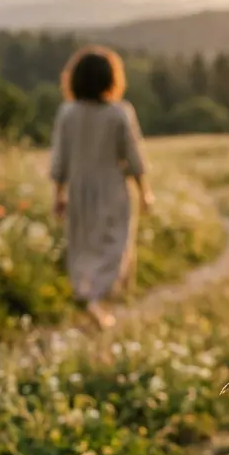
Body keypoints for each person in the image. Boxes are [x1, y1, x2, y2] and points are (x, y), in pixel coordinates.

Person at [49, 46, 153, 329]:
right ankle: (95, 300)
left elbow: (60, 159)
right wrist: (145, 193)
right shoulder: (119, 113)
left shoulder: (67, 113)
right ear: (111, 79)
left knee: (83, 247)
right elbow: (134, 158)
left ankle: (89, 297)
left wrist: (58, 195)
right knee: (115, 247)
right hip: (113, 191)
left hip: (79, 193)